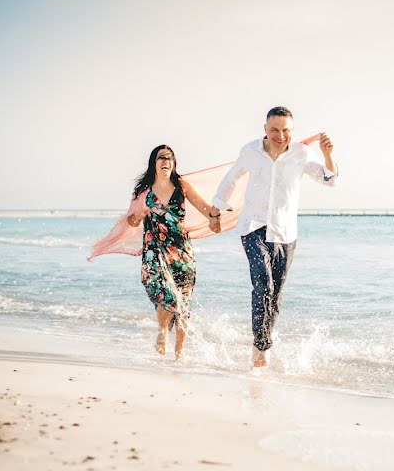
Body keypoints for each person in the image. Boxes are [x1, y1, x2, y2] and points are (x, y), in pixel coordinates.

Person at [208, 106, 339, 367]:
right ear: (265, 129)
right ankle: (261, 348)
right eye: (275, 130)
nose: (281, 136)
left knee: (276, 295)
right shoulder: (251, 151)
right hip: (253, 227)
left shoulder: (302, 153)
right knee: (263, 284)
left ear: (292, 130)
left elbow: (331, 180)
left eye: (286, 130)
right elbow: (231, 178)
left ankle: (263, 338)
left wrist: (327, 155)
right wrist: (215, 209)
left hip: (286, 233)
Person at [124, 145, 219, 357]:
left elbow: (204, 208)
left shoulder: (181, 186)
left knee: (183, 302)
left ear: (174, 163)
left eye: (169, 158)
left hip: (182, 252)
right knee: (165, 293)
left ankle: (180, 352)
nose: (165, 161)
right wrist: (139, 215)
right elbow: (131, 221)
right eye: (161, 157)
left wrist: (215, 216)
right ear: (154, 163)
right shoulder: (143, 192)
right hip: (155, 250)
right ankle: (161, 333)